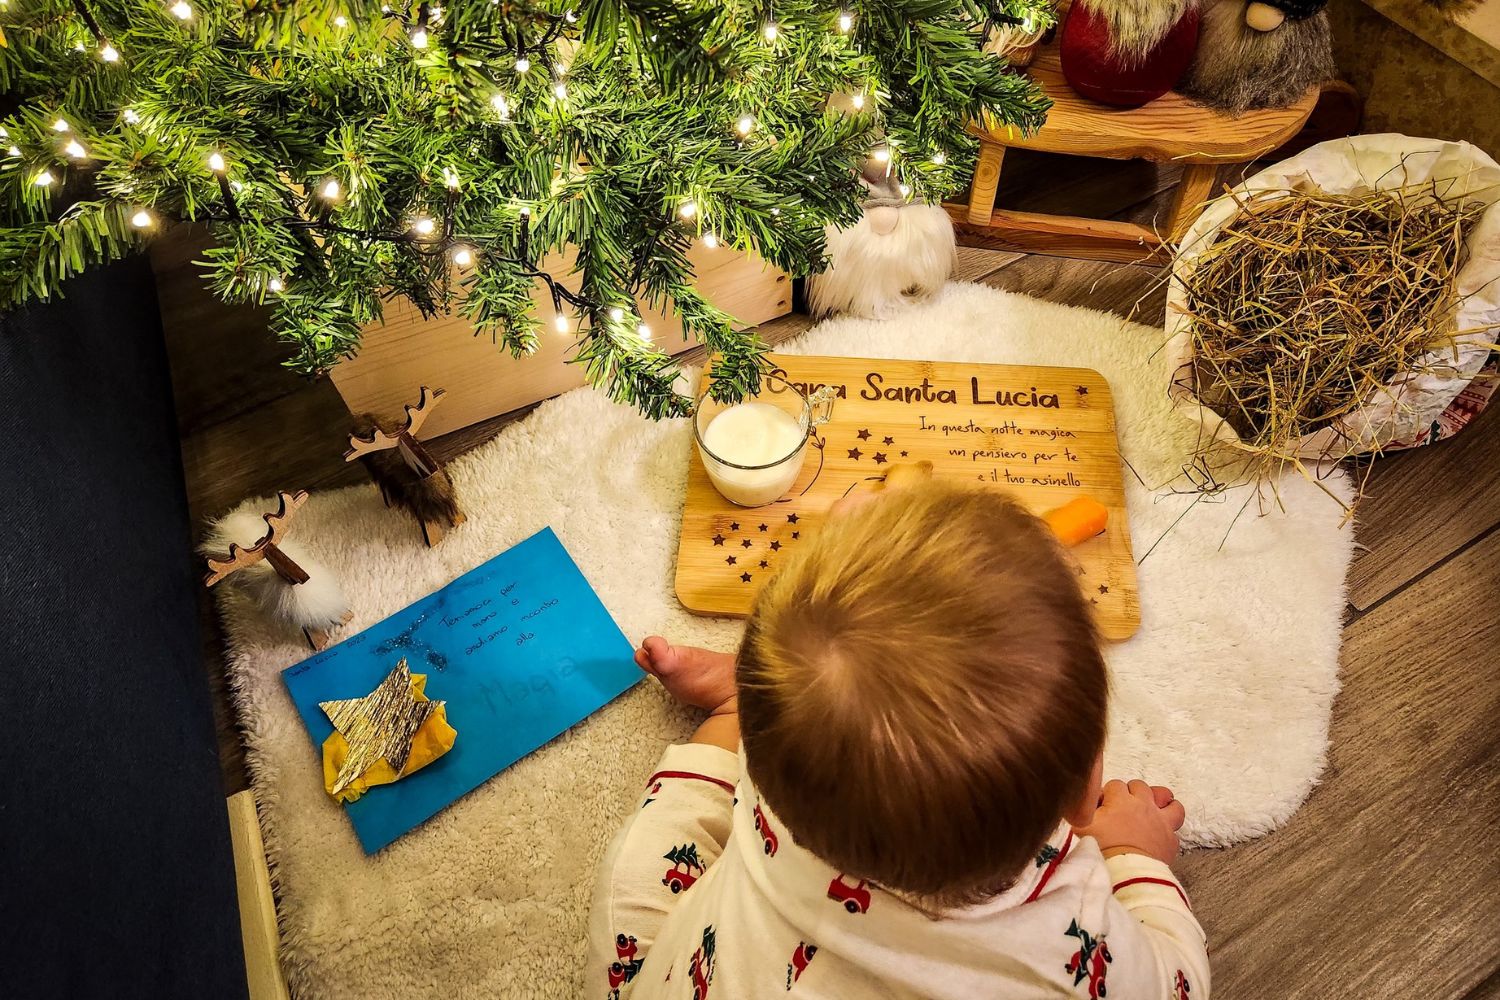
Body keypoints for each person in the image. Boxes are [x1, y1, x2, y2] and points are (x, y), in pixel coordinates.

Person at [587, 479, 1207, 999]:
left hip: (706, 972)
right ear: (1082, 797)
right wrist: (1135, 858)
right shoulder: (1078, 945)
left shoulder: (802, 785)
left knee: (644, 882)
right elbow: (1176, 983)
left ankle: (735, 707)